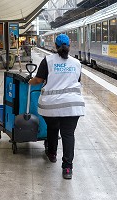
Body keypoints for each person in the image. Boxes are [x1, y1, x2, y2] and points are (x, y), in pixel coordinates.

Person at [28, 34, 85, 179]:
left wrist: (30, 81)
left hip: (51, 106)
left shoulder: (48, 61)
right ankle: (67, 169)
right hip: (73, 106)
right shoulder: (77, 63)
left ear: (55, 46)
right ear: (69, 46)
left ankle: (52, 153)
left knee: (53, 128)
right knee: (68, 134)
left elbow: (39, 79)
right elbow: (77, 81)